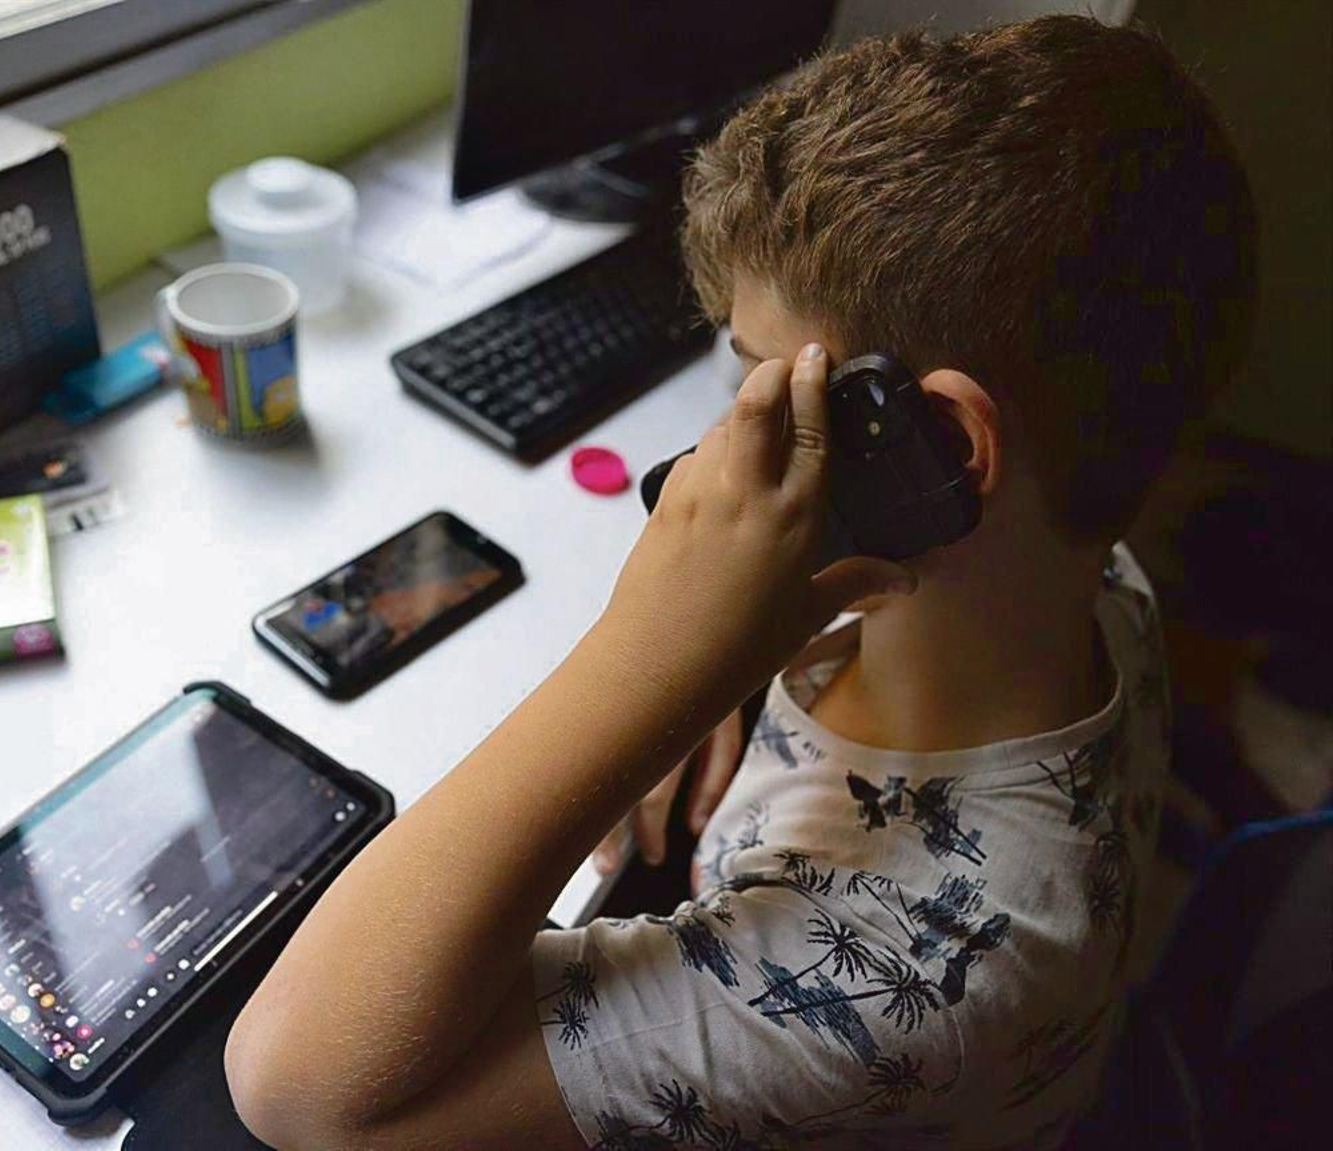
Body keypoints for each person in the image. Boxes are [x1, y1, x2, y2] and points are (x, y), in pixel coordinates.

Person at [223, 14, 1255, 1149]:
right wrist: (738, 662)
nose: (720, 443)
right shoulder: (1093, 572)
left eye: (765, 385)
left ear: (950, 452)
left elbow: (300, 1085)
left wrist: (645, 666)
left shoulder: (905, 976)